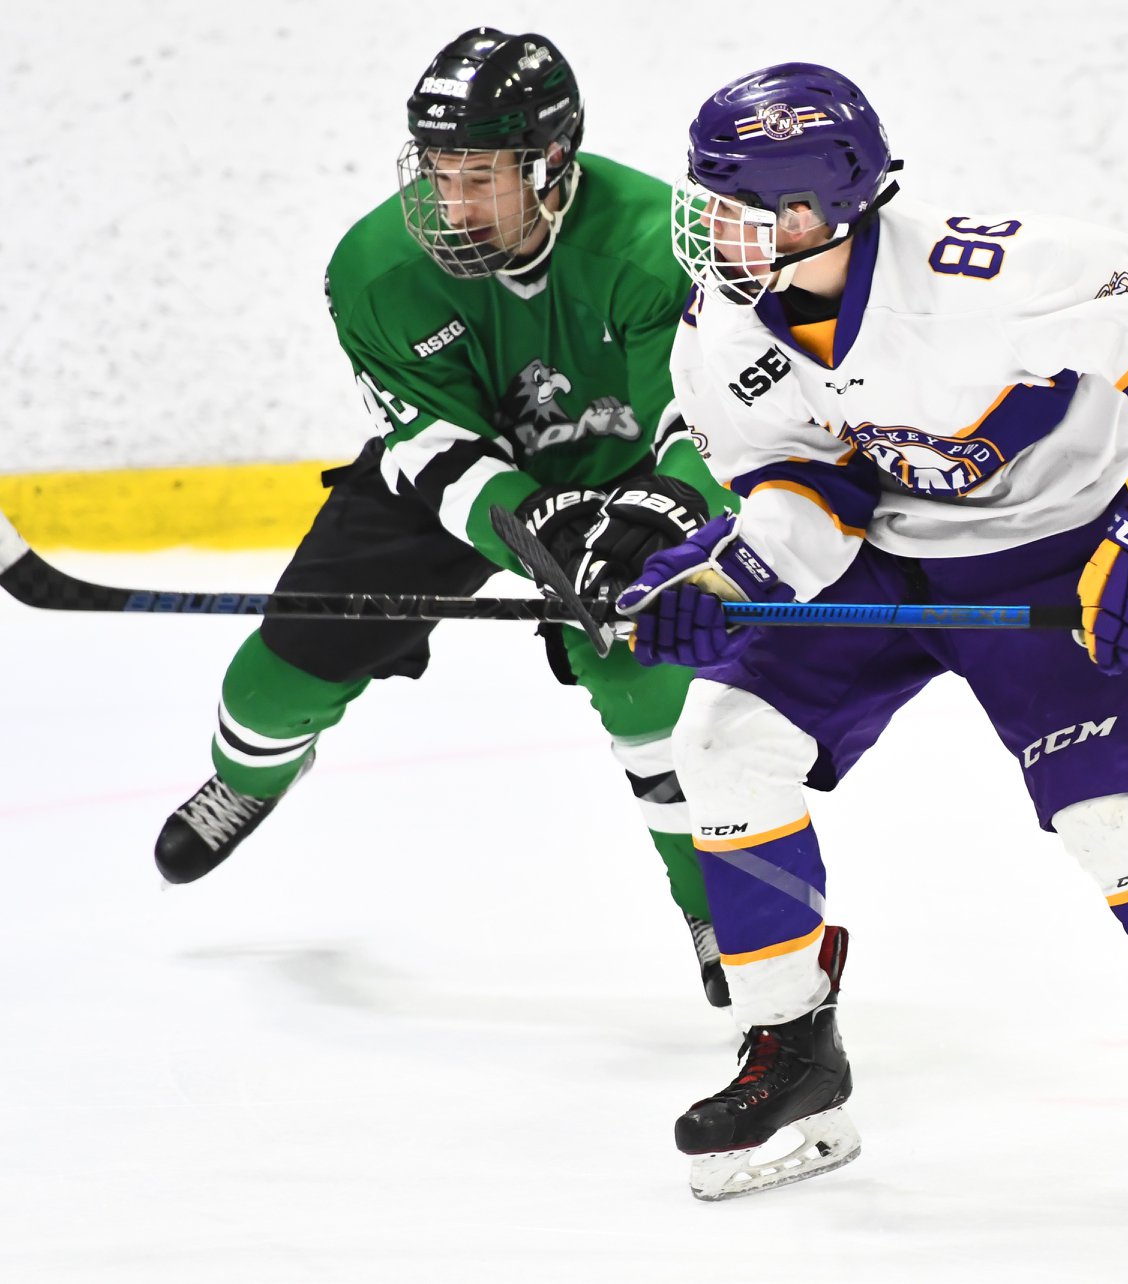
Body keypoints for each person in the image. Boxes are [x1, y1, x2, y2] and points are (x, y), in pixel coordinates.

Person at [614, 63, 1128, 1229]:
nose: (719, 231)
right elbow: (804, 486)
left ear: (826, 209)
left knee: (1123, 824)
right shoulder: (724, 323)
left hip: (1060, 559)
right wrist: (736, 575)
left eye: (750, 207)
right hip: (890, 562)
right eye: (711, 201)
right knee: (722, 735)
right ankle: (793, 1059)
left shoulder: (998, 277)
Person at [153, 28, 737, 1007]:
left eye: (478, 177)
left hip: (633, 479)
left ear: (552, 164)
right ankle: (251, 773)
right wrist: (521, 522)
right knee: (279, 674)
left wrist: (665, 514)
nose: (448, 203)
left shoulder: (657, 239)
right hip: (470, 480)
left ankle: (717, 908)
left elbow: (708, 411)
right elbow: (427, 442)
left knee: (650, 699)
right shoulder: (374, 268)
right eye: (436, 171)